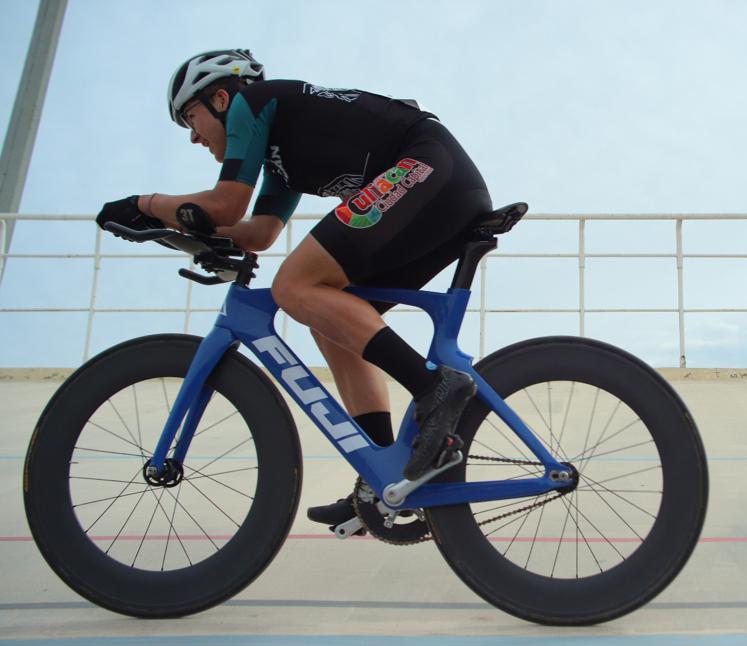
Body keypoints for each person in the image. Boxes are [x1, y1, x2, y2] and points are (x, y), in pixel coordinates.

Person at [94, 49, 492, 530]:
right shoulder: (283, 159)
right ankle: (381, 476)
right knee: (332, 321)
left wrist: (144, 204)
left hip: (427, 168)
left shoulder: (252, 104)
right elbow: (259, 230)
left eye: (192, 119)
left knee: (293, 285)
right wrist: (189, 233)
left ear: (221, 98)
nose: (194, 137)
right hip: (440, 186)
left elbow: (224, 205)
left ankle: (435, 387)